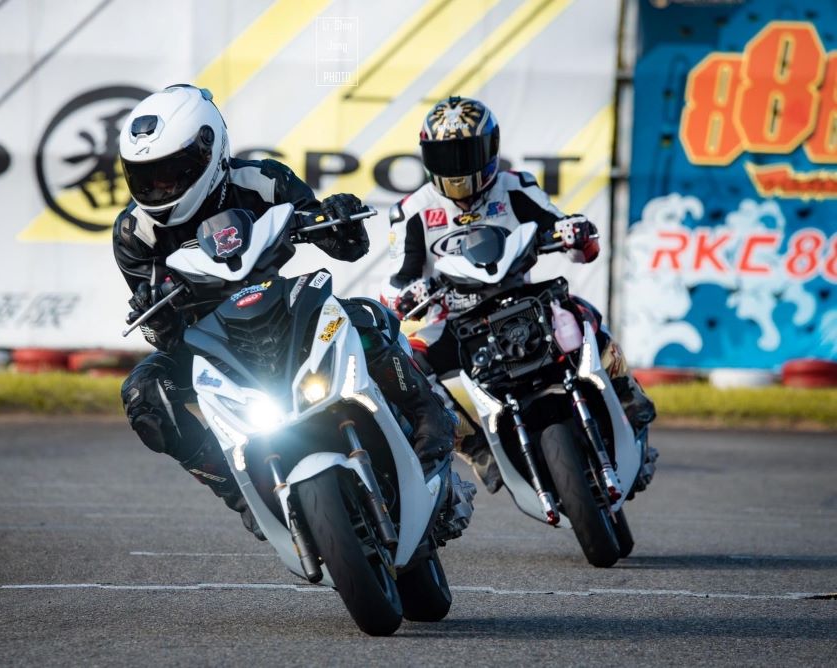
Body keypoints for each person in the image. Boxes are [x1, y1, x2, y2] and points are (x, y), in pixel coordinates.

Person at [114, 84, 455, 538]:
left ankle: (430, 415)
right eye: (146, 176)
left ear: (207, 152)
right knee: (143, 394)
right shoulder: (133, 232)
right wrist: (158, 321)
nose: (159, 187)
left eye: (171, 172)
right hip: (209, 343)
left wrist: (338, 218)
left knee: (368, 317)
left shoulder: (262, 180)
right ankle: (239, 494)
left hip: (284, 308)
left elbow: (347, 245)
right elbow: (165, 335)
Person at [380, 96, 657, 494]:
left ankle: (626, 392)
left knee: (580, 313)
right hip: (456, 322)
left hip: (523, 303)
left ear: (490, 149)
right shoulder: (412, 211)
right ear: (427, 157)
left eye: (466, 153)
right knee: (407, 362)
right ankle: (474, 447)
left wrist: (575, 232)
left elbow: (566, 232)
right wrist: (405, 296)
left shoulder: (515, 186)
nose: (456, 167)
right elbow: (394, 284)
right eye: (445, 156)